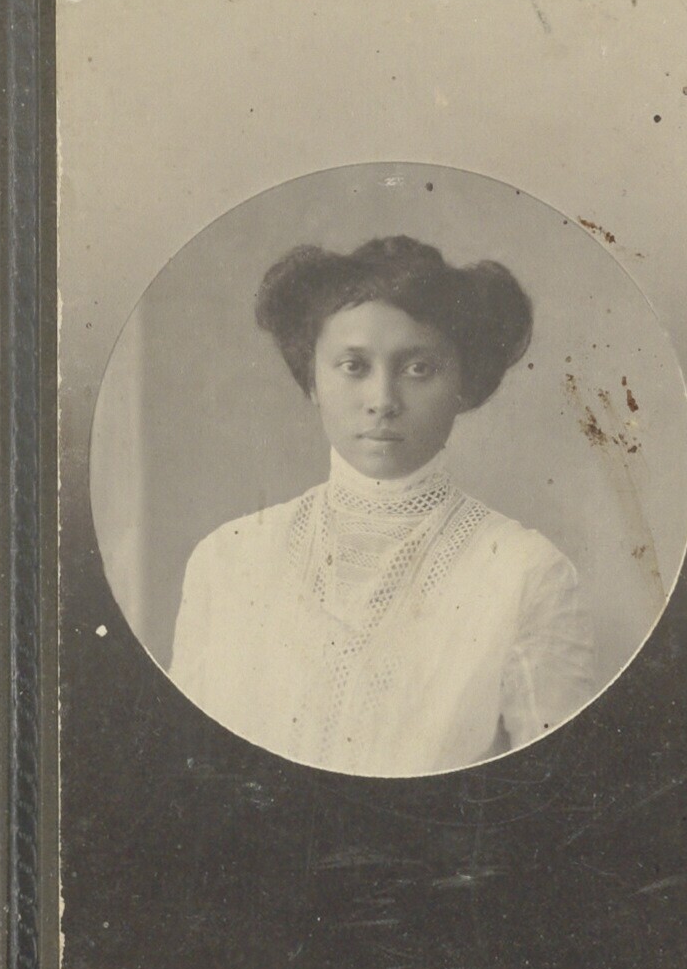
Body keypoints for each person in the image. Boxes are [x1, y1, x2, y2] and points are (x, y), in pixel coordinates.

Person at [169, 235, 594, 776]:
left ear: (464, 384)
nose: (383, 401)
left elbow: (552, 793)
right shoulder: (227, 559)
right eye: (353, 366)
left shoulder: (526, 573)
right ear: (312, 380)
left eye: (419, 369)